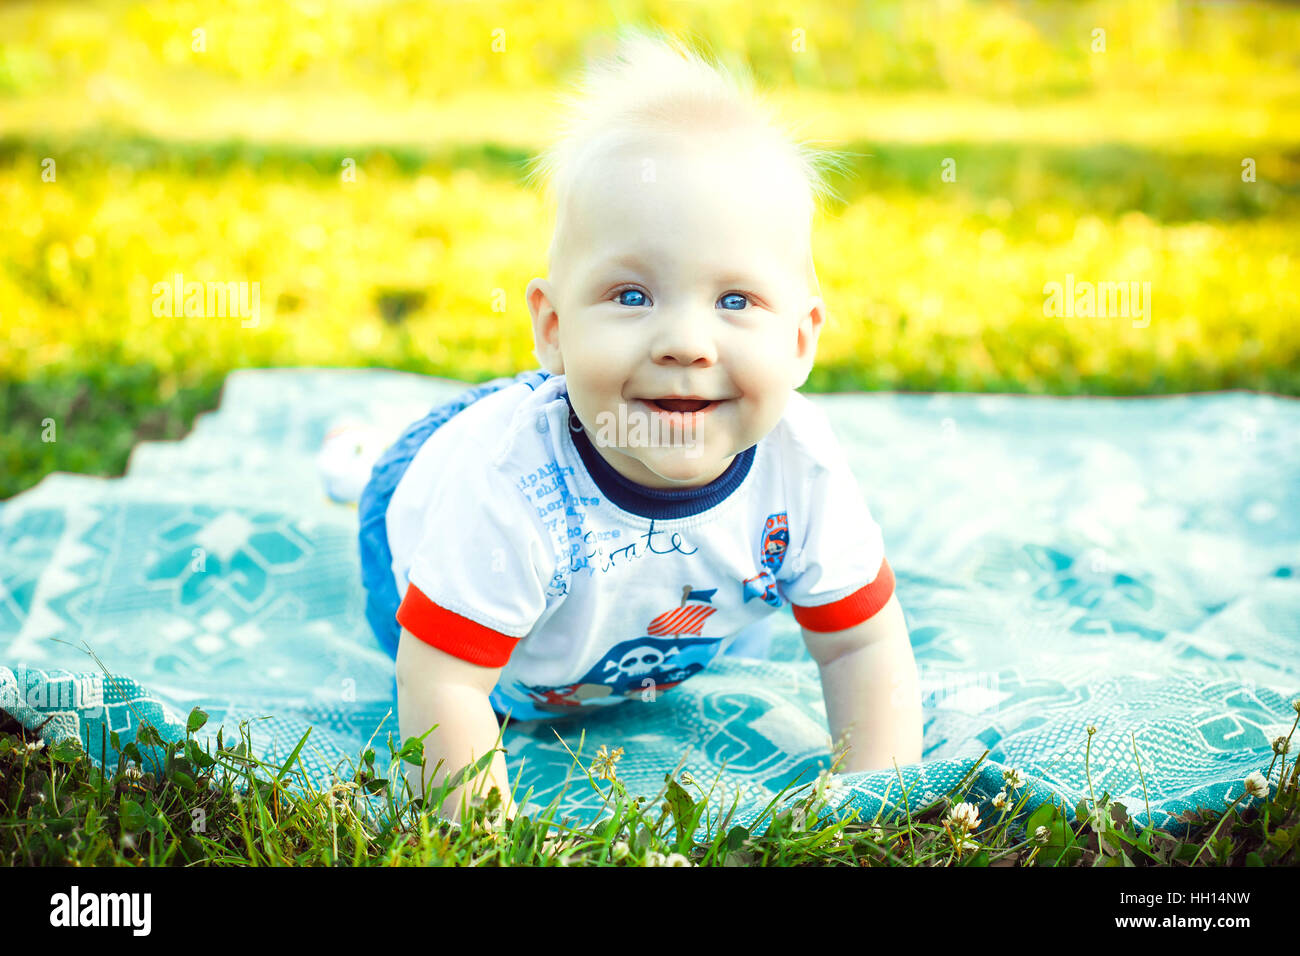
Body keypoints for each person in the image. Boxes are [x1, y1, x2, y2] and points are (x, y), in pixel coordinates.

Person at [356, 28, 922, 822]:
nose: (686, 344)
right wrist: (479, 837)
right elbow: (440, 678)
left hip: (637, 622)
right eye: (631, 296)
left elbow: (860, 644)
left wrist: (876, 807)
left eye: (735, 301)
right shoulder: (506, 489)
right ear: (553, 328)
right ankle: (358, 459)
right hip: (417, 537)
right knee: (441, 532)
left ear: (800, 340)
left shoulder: (803, 467)